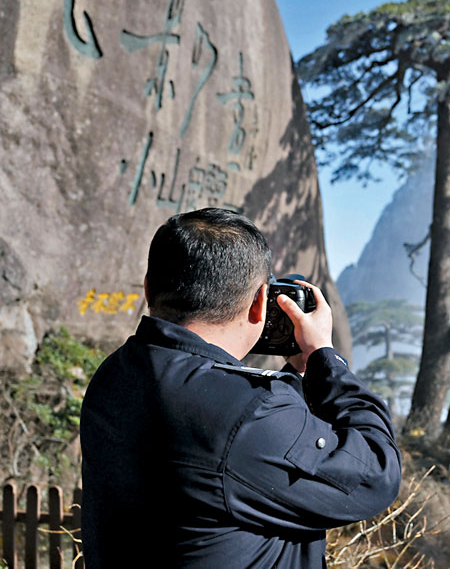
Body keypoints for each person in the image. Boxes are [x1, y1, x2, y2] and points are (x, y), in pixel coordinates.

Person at [80, 208, 401, 568]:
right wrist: (323, 359)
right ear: (261, 303)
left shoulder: (116, 374)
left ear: (148, 288)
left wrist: (297, 375)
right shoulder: (249, 414)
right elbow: (375, 474)